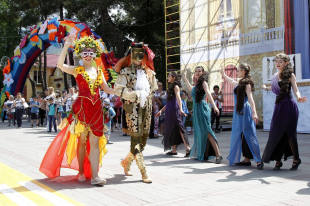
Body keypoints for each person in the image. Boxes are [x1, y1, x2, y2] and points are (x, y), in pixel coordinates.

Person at [40, 34, 114, 186]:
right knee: (82, 142)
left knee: (94, 143)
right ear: (80, 53)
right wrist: (67, 45)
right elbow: (60, 65)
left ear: (95, 53)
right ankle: (80, 172)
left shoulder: (100, 71)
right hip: (81, 109)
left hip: (96, 110)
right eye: (84, 52)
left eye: (91, 52)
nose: (88, 55)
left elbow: (106, 88)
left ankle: (95, 176)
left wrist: (122, 91)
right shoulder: (77, 70)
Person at [114, 42, 158, 183]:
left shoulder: (148, 72)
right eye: (135, 55)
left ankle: (126, 162)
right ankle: (143, 172)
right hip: (132, 110)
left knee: (143, 141)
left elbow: (153, 88)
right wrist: (134, 94)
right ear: (130, 56)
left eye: (141, 55)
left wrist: (148, 96)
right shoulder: (125, 72)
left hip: (147, 108)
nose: (138, 58)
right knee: (136, 140)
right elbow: (118, 89)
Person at [262, 53, 307, 170]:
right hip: (279, 108)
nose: (277, 63)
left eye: (280, 61)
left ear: (286, 63)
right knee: (276, 133)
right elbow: (274, 88)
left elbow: (296, 89)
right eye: (276, 61)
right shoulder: (275, 76)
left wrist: (299, 97)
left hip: (289, 108)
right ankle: (278, 160)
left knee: (290, 135)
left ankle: (296, 159)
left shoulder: (290, 75)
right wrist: (266, 88)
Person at [221, 63, 264, 169]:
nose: (237, 72)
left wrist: (254, 113)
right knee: (238, 135)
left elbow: (250, 99)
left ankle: (258, 160)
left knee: (249, 134)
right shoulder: (239, 83)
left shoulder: (247, 83)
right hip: (238, 112)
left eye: (239, 70)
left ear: (244, 71)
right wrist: (223, 74)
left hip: (245, 110)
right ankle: (246, 159)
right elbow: (230, 80)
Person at [182, 66, 222, 163]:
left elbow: (208, 94)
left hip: (203, 109)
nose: (197, 72)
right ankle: (204, 154)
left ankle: (218, 155)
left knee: (207, 131)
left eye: (199, 71)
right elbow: (191, 89)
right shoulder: (197, 84)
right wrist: (185, 78)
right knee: (200, 133)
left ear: (203, 72)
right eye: (196, 71)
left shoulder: (204, 83)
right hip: (197, 110)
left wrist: (215, 107)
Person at [156, 72, 191, 157]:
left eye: (169, 76)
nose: (167, 77)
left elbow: (179, 98)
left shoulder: (176, 87)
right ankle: (174, 150)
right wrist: (161, 110)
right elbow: (169, 102)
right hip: (169, 110)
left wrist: (181, 109)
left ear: (173, 77)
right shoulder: (170, 87)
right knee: (171, 129)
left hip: (174, 110)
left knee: (179, 128)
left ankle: (188, 148)